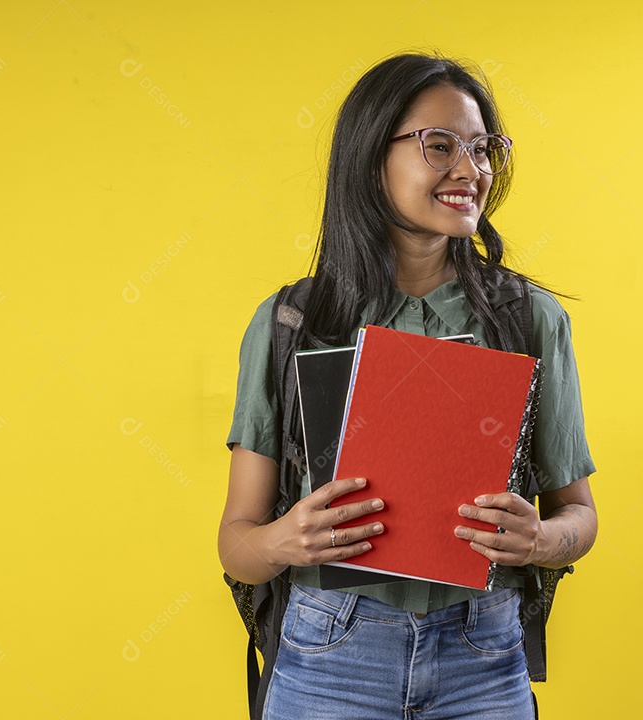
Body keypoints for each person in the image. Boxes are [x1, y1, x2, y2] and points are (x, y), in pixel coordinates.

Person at [218, 51, 597, 720]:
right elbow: (237, 545)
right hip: (329, 654)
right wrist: (285, 541)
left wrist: (541, 540)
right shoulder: (290, 324)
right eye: (439, 145)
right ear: (371, 161)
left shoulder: (531, 320)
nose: (470, 170)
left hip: (483, 654)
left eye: (484, 150)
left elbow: (580, 515)